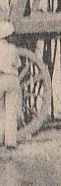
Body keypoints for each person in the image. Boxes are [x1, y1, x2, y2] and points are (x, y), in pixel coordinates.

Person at [1, 20, 23, 149]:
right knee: (11, 110)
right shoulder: (12, 49)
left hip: (0, 79)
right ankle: (10, 141)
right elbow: (18, 64)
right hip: (12, 79)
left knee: (1, 111)